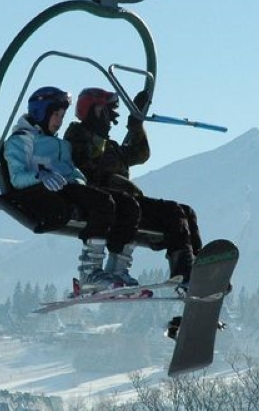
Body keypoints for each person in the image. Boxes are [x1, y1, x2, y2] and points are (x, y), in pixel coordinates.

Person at [2, 86, 140, 287]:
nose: (59, 121)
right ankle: (90, 272)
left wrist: (79, 181)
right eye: (56, 115)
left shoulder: (61, 145)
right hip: (43, 193)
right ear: (41, 113)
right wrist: (40, 175)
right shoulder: (22, 140)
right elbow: (17, 178)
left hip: (68, 188)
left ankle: (118, 270)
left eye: (62, 115)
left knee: (128, 204)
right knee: (102, 202)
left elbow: (73, 171)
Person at [64, 87, 202, 286]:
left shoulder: (109, 146)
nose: (112, 121)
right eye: (108, 114)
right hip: (108, 203)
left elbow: (140, 154)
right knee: (168, 213)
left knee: (184, 212)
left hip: (127, 201)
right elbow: (87, 170)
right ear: (96, 111)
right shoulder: (77, 138)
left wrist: (136, 125)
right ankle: (185, 273)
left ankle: (194, 268)